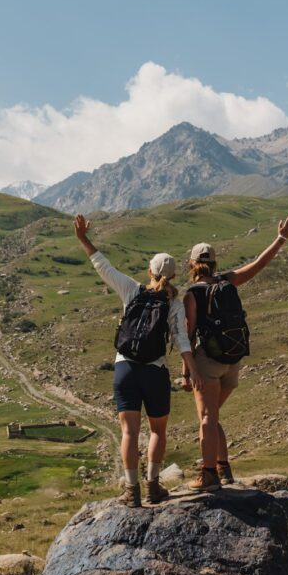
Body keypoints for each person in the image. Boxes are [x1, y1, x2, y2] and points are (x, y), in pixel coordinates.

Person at [74, 214, 203, 507]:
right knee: (157, 430)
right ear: (172, 277)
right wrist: (191, 369)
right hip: (154, 372)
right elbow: (182, 339)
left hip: (125, 368)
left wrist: (83, 238)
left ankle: (131, 491)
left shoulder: (132, 290)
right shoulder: (174, 302)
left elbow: (102, 266)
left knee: (129, 432)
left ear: (150, 271)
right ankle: (153, 487)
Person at [183, 215, 288, 492]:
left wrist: (187, 372)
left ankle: (208, 473)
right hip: (232, 363)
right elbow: (259, 264)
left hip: (209, 363)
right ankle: (224, 470)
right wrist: (280, 238)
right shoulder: (228, 280)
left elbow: (187, 335)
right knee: (212, 416)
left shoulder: (193, 294)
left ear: (192, 264)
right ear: (213, 263)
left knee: (207, 419)